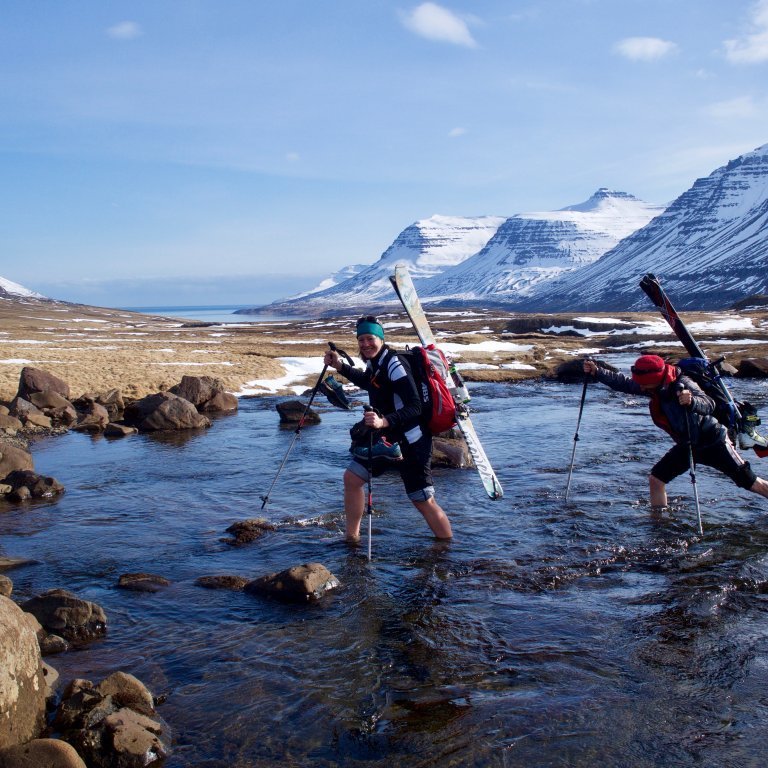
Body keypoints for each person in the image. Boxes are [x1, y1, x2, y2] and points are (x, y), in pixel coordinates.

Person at [323, 315, 453, 542]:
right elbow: (370, 382)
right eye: (361, 339)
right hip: (387, 442)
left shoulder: (394, 364)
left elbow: (415, 407)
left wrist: (384, 422)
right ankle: (351, 539)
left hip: (412, 443)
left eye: (370, 338)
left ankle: (447, 548)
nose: (365, 344)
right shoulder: (377, 363)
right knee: (352, 480)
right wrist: (340, 366)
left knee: (422, 500)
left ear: (381, 339)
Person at [583, 354, 768, 507]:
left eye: (643, 385)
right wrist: (597, 371)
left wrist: (691, 401)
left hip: (714, 441)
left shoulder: (683, 383)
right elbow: (623, 382)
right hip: (687, 445)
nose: (639, 387)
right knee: (656, 480)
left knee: (751, 483)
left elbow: (709, 404)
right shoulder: (653, 386)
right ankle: (659, 525)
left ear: (655, 380)